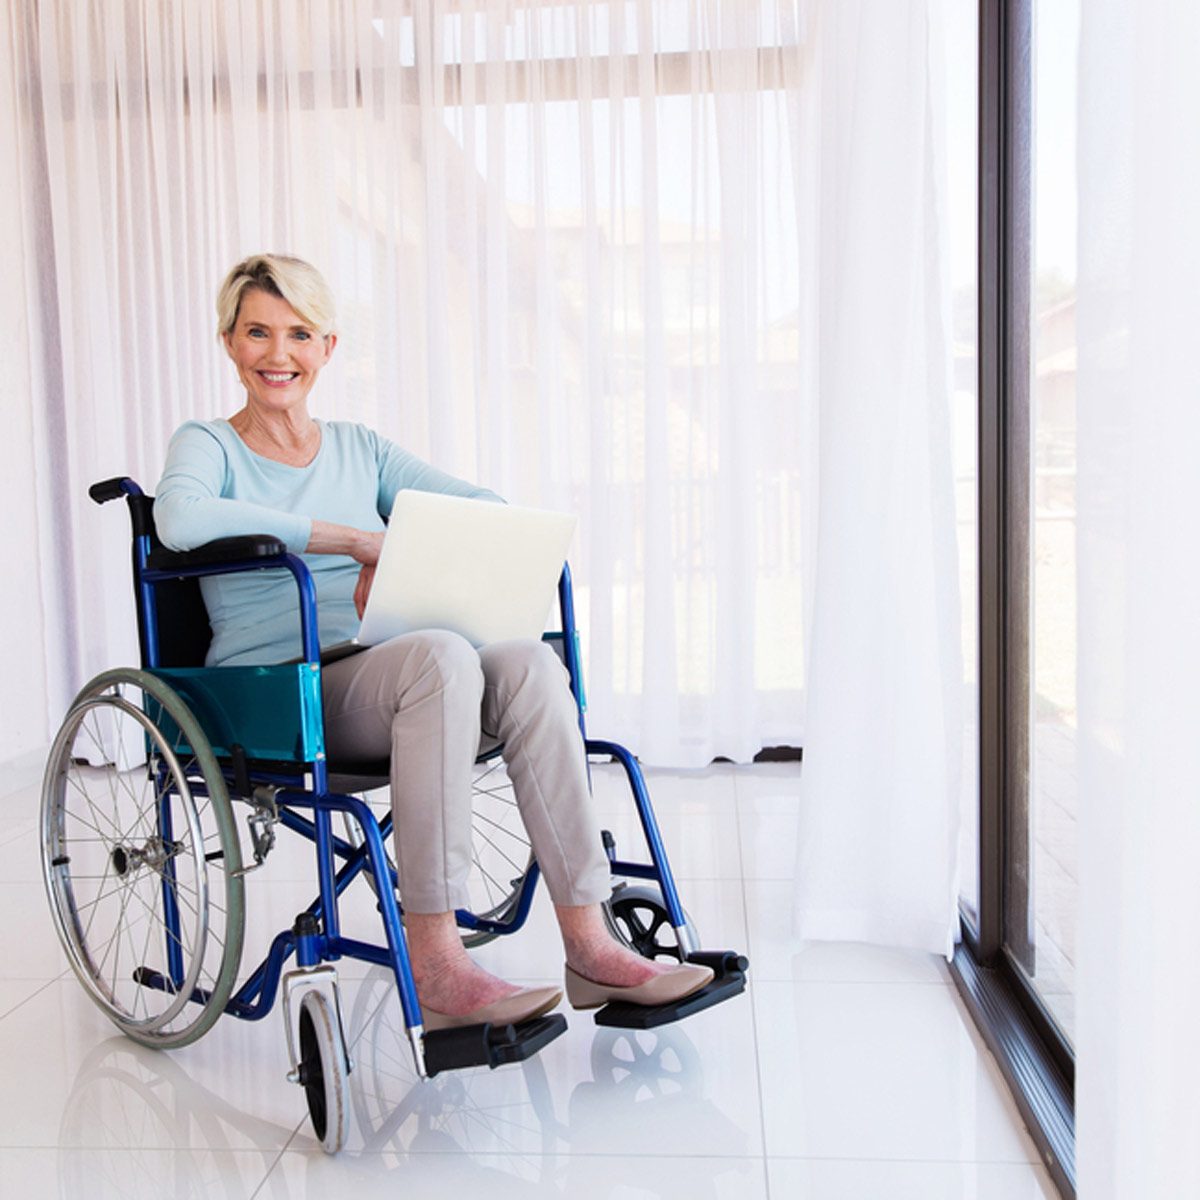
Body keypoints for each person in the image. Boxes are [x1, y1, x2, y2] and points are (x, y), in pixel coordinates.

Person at [155, 254, 712, 1030]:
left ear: (328, 348)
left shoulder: (361, 449)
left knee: (525, 661)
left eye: (299, 335)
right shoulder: (209, 444)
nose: (278, 355)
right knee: (441, 658)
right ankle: (437, 959)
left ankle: (589, 940)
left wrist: (405, 549)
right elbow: (178, 520)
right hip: (278, 692)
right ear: (228, 341)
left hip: (388, 678)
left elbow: (485, 507)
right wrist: (352, 539)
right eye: (258, 332)